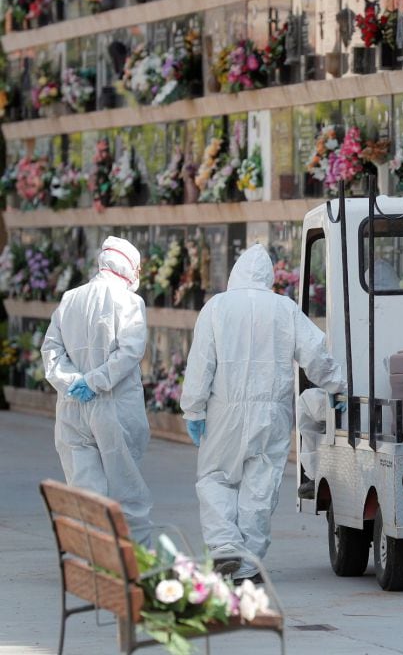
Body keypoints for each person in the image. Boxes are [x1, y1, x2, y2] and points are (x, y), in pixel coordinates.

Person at [181, 244, 345, 582]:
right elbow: (314, 351)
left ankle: (224, 545)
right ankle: (247, 561)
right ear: (269, 277)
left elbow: (201, 363)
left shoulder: (216, 307)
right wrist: (337, 386)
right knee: (261, 482)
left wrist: (193, 408)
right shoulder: (283, 308)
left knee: (215, 477)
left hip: (223, 409)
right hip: (272, 410)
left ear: (236, 273)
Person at [41, 236, 154, 545]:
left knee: (85, 489)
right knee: (126, 489)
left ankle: (92, 559)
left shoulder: (70, 299)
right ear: (129, 266)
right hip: (113, 407)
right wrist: (95, 381)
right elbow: (129, 353)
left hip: (73, 408)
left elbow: (51, 350)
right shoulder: (129, 302)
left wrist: (73, 382)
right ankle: (136, 563)